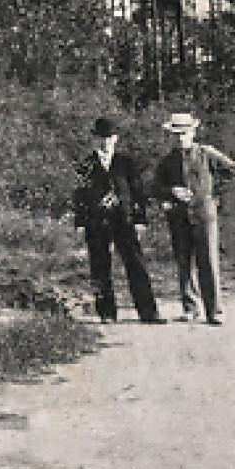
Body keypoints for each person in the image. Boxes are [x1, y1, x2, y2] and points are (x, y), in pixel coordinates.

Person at [153, 111, 235, 325]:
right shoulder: (167, 161)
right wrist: (170, 192)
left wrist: (215, 196)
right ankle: (190, 308)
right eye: (175, 134)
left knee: (209, 263)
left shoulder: (206, 153)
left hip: (204, 215)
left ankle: (215, 311)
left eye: (183, 133)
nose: (179, 138)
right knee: (184, 263)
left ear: (193, 132)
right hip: (178, 217)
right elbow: (155, 187)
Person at [72, 117, 163, 324]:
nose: (106, 142)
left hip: (125, 221)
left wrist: (140, 219)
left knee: (136, 265)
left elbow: (138, 192)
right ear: (95, 139)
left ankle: (148, 313)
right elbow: (79, 196)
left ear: (116, 139)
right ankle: (106, 313)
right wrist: (81, 221)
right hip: (97, 223)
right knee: (100, 267)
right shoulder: (86, 165)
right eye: (102, 137)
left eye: (110, 137)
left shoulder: (126, 163)